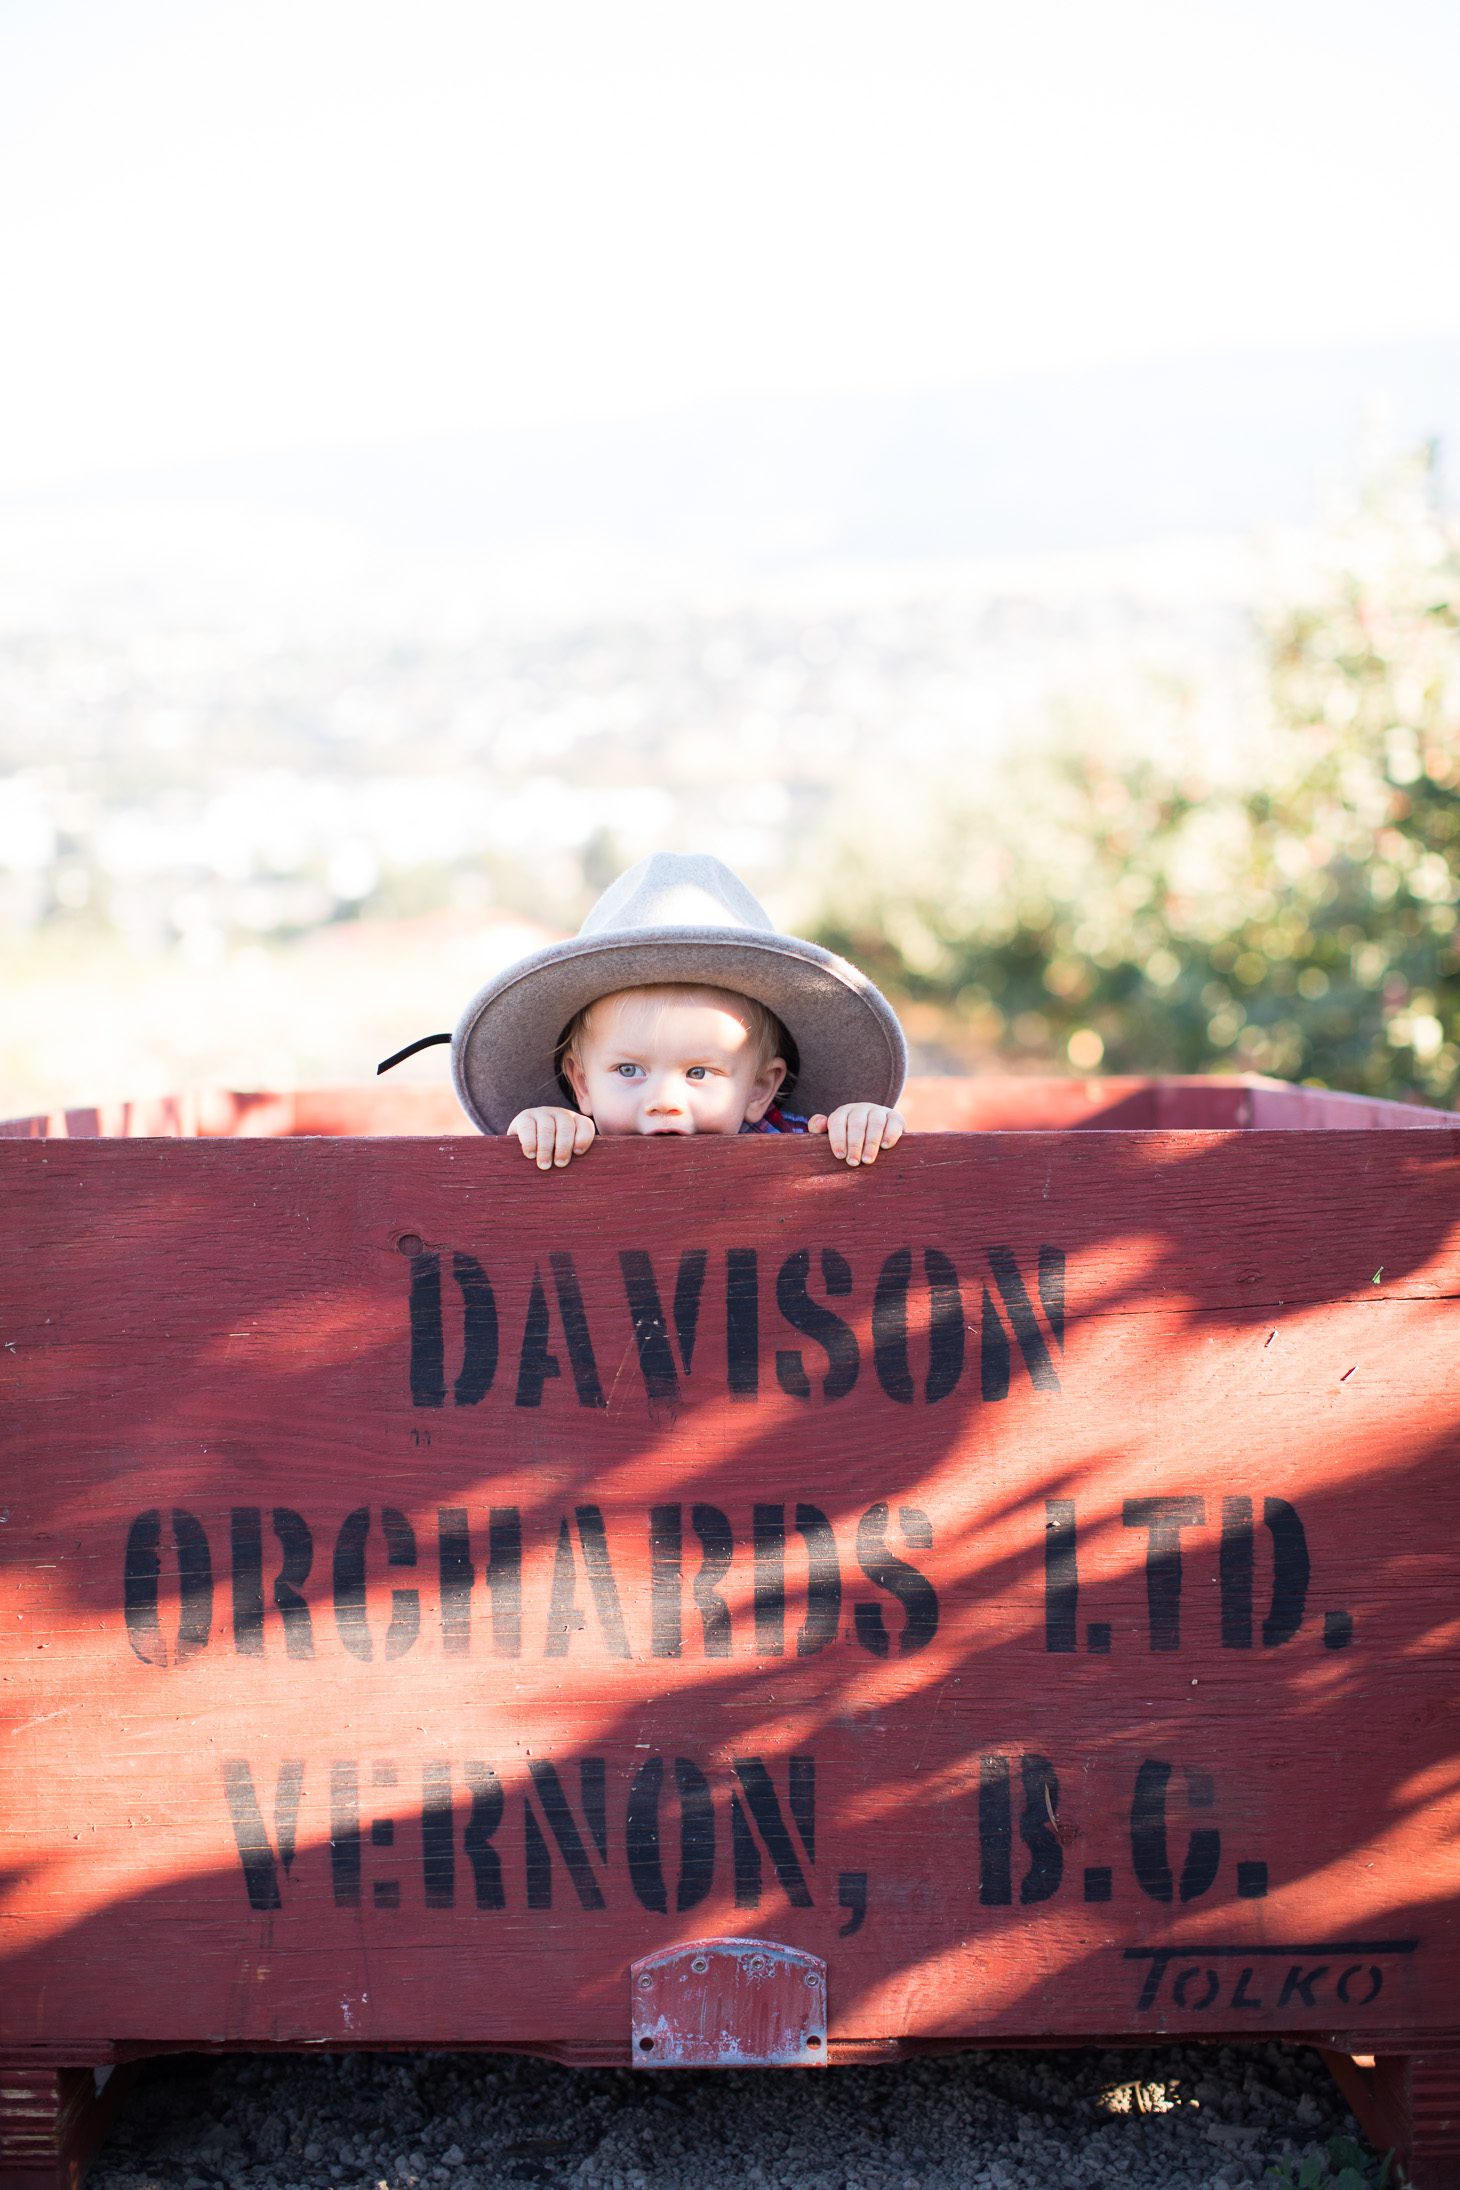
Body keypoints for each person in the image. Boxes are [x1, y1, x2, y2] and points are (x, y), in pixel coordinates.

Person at [376, 852, 907, 1168]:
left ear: (760, 1090)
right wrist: (538, 1133)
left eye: (700, 1072)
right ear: (582, 1085)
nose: (663, 1102)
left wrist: (861, 1125)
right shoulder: (573, 1146)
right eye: (628, 1070)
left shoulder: (792, 1144)